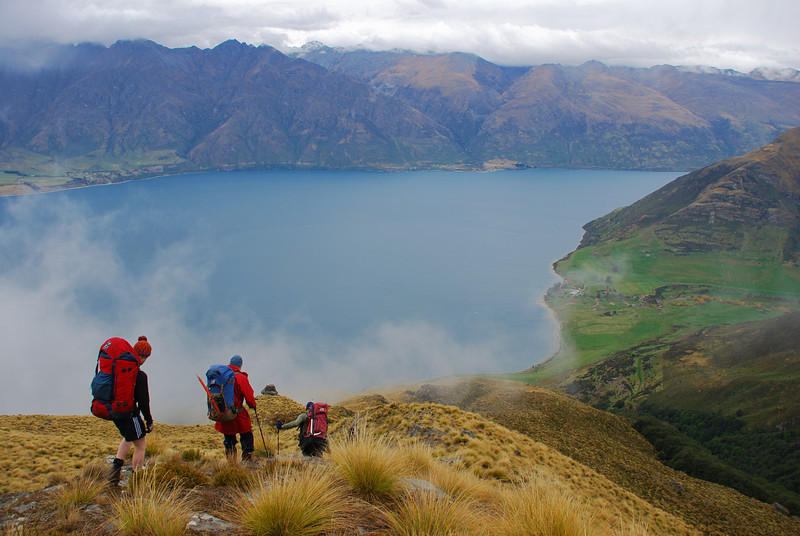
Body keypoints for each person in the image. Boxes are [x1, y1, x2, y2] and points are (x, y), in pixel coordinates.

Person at [108, 336, 153, 486]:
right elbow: (144, 401)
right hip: (130, 413)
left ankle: (114, 472)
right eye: (144, 356)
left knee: (128, 436)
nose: (144, 359)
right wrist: (149, 420)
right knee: (140, 445)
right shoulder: (139, 375)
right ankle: (137, 476)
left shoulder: (120, 370)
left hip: (115, 411)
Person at [214, 355, 257, 461]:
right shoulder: (240, 378)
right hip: (237, 413)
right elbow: (249, 397)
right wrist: (253, 405)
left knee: (229, 438)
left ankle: (231, 461)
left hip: (223, 413)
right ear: (240, 365)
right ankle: (247, 460)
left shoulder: (221, 376)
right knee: (246, 435)